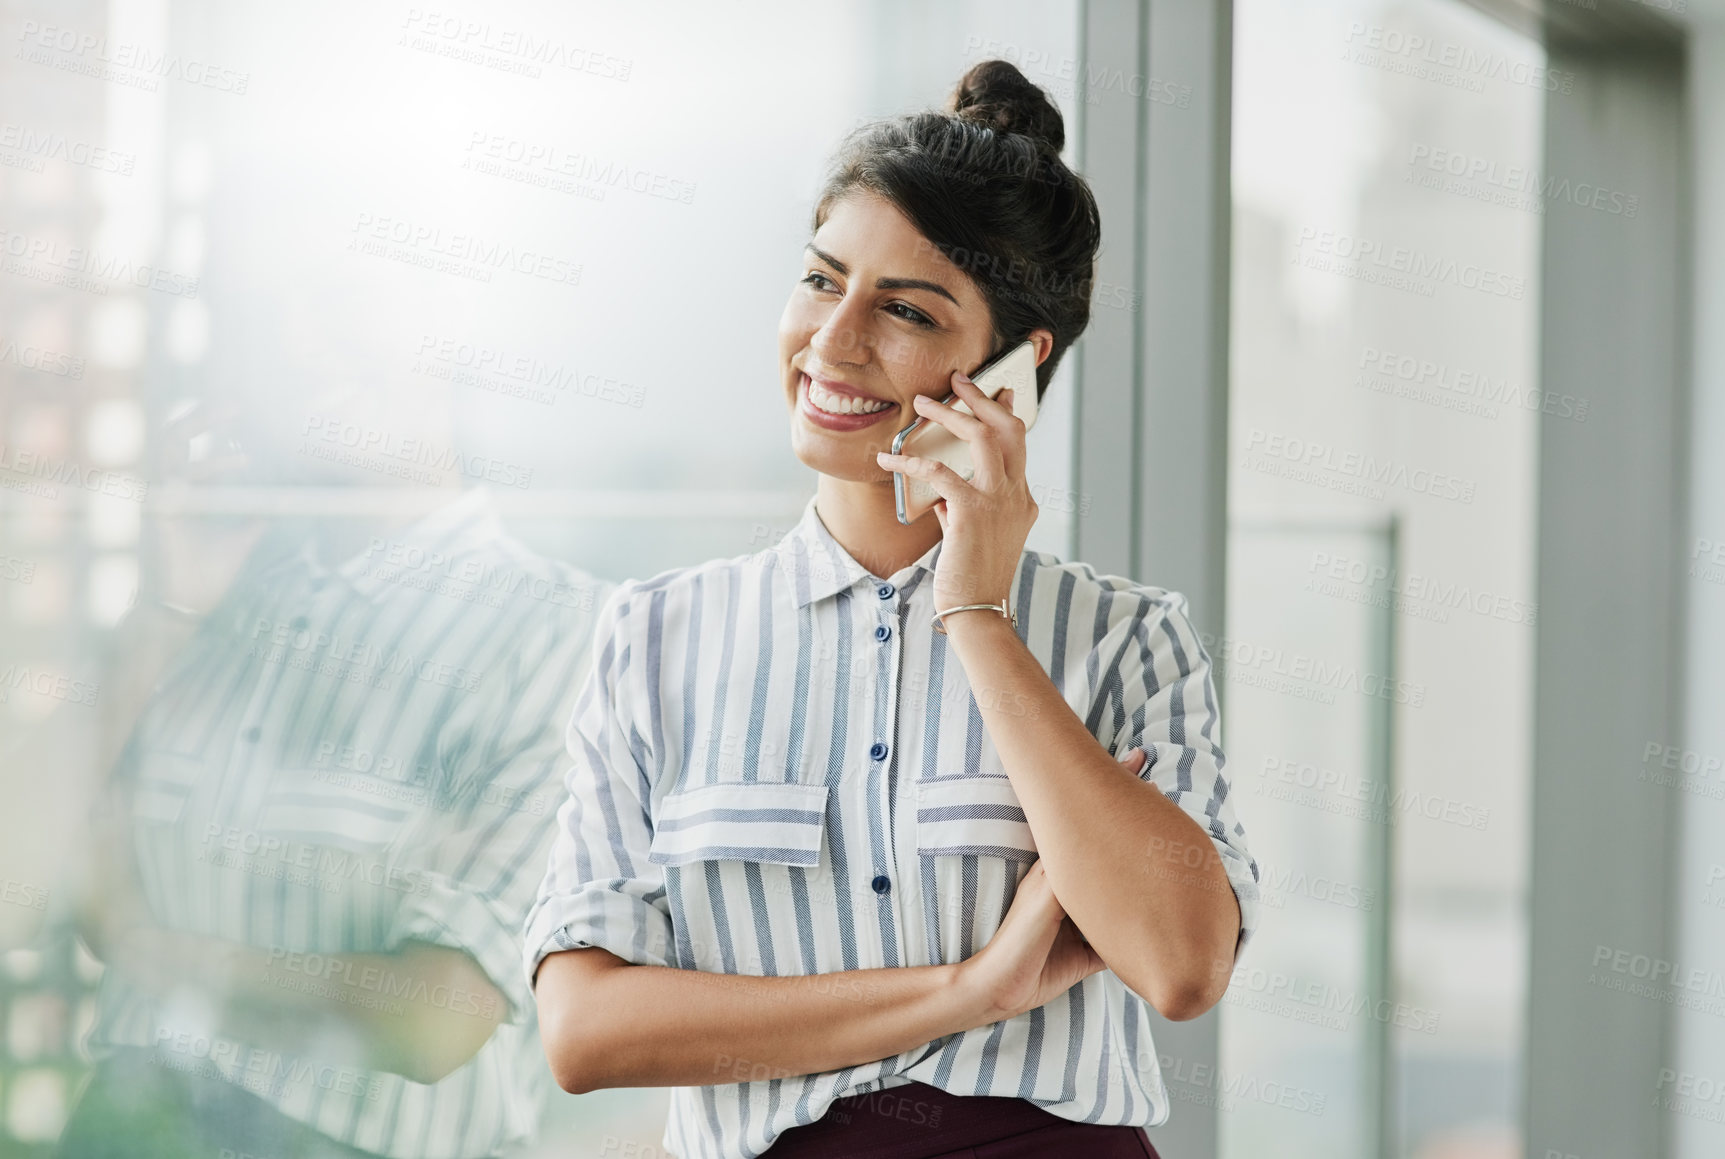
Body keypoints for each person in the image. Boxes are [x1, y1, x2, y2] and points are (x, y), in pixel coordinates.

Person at [524, 59, 1262, 1159]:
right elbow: (585, 1033)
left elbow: (1181, 962)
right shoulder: (657, 637)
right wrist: (970, 990)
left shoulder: (1124, 640)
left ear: (1011, 368)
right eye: (823, 281)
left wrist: (978, 616)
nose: (833, 341)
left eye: (905, 310)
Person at [57, 378, 610, 1159]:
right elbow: (60, 882)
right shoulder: (216, 597)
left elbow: (434, 1017)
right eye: (292, 326)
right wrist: (165, 605)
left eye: (350, 315)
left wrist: (158, 953)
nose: (315, 356)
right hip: (114, 1128)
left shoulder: (564, 632)